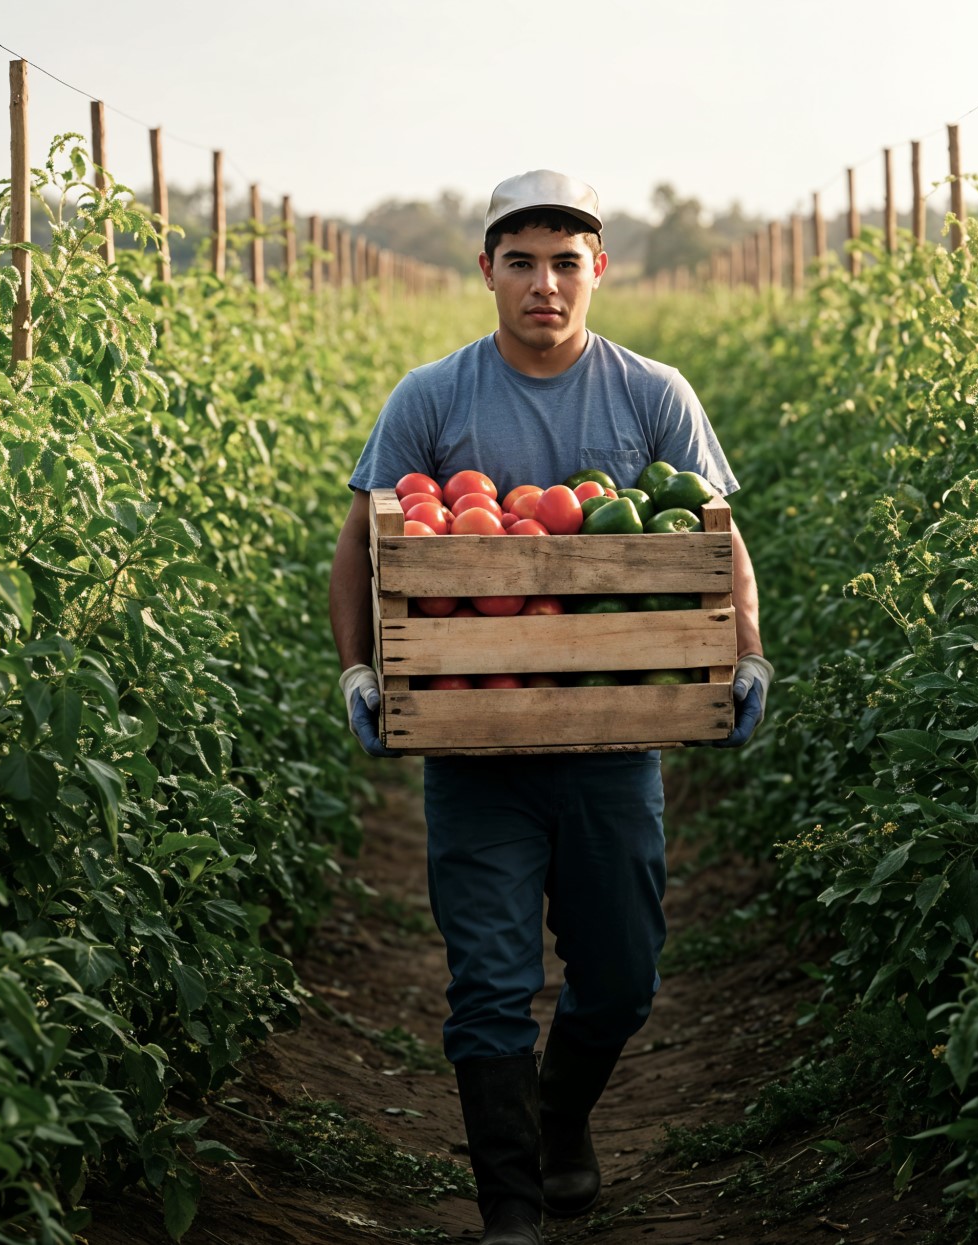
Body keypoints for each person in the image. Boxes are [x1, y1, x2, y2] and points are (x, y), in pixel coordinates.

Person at [327, 170, 771, 1245]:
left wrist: (746, 655)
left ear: (597, 270)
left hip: (612, 737)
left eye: (564, 262)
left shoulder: (651, 393)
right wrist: (357, 670)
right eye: (519, 262)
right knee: (486, 983)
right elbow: (360, 550)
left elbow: (717, 546)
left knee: (619, 980)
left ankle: (559, 1112)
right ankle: (511, 1212)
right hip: (471, 743)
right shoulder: (431, 398)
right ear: (485, 271)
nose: (542, 284)